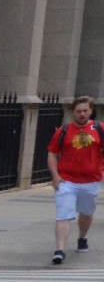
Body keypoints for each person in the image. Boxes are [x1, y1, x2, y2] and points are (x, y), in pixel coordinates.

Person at [49, 95, 103, 265]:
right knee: (63, 215)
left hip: (91, 180)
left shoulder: (100, 129)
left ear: (90, 111)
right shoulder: (63, 130)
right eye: (78, 111)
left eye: (85, 111)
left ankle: (82, 237)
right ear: (73, 112)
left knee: (86, 213)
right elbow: (52, 152)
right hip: (67, 180)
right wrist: (55, 176)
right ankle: (60, 250)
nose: (81, 114)